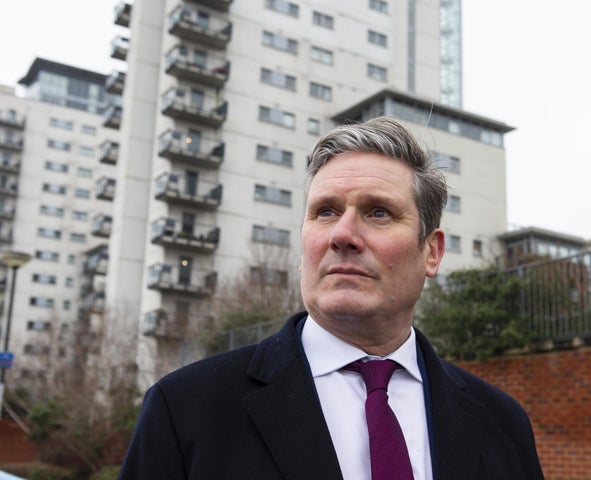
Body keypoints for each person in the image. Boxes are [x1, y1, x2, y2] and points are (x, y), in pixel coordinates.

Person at [118, 116, 544, 479]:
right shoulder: (184, 410)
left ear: (431, 251)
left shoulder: (502, 423)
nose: (342, 234)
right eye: (325, 211)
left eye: (378, 212)